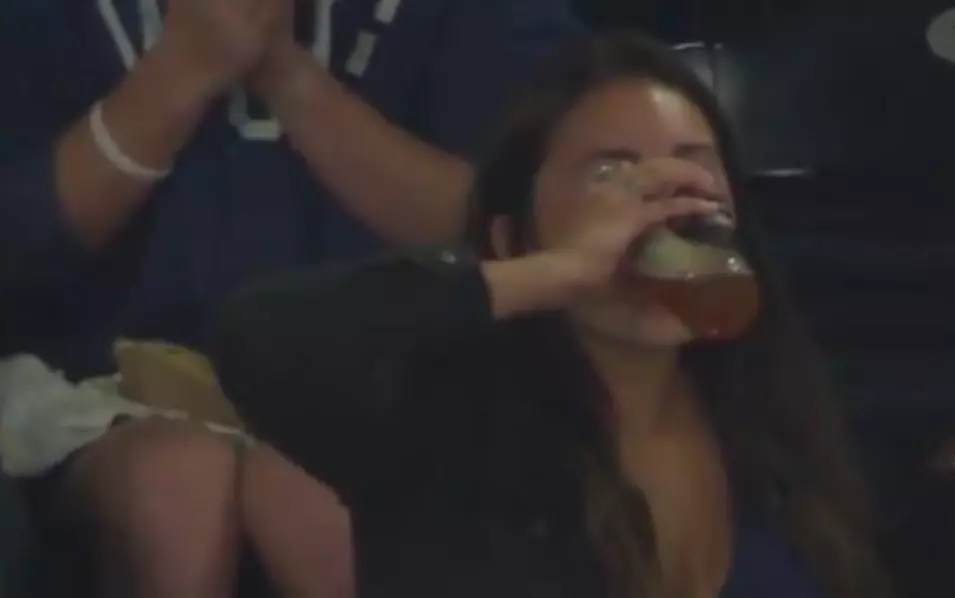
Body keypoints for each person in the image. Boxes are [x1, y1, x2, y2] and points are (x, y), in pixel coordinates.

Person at [212, 32, 893, 598]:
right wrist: (561, 271)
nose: (659, 202)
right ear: (514, 239)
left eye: (690, 167)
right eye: (609, 174)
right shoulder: (441, 419)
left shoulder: (772, 417)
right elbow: (262, 338)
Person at [0, 0, 580, 596]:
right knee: (176, 488)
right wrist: (177, 72)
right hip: (93, 380)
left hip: (382, 378)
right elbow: (17, 248)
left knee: (316, 495)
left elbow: (519, 231)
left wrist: (287, 75)